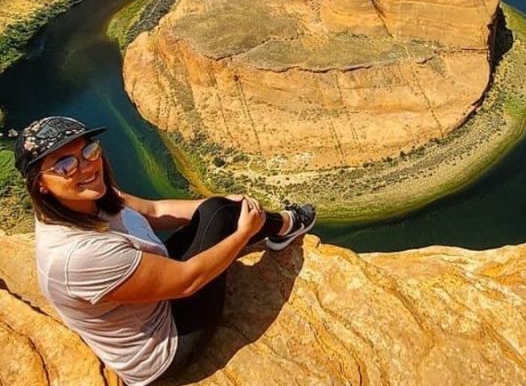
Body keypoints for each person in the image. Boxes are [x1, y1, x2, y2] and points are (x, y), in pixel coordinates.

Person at [14, 115, 316, 386]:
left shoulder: (87, 199)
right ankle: (287, 225)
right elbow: (188, 281)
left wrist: (222, 206)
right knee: (223, 218)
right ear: (40, 184)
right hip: (166, 346)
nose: (86, 165)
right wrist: (242, 233)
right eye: (65, 165)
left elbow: (155, 210)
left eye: (89, 150)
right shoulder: (78, 256)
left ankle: (279, 225)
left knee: (219, 210)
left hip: (155, 293)